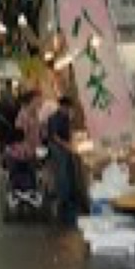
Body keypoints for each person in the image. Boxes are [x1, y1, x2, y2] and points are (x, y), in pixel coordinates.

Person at [46, 96, 80, 225]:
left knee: (66, 171)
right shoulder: (56, 117)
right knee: (62, 173)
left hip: (63, 146)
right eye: (68, 108)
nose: (69, 110)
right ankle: (63, 199)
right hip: (57, 148)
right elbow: (54, 136)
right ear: (63, 106)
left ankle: (67, 197)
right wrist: (67, 145)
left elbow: (67, 132)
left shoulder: (64, 117)